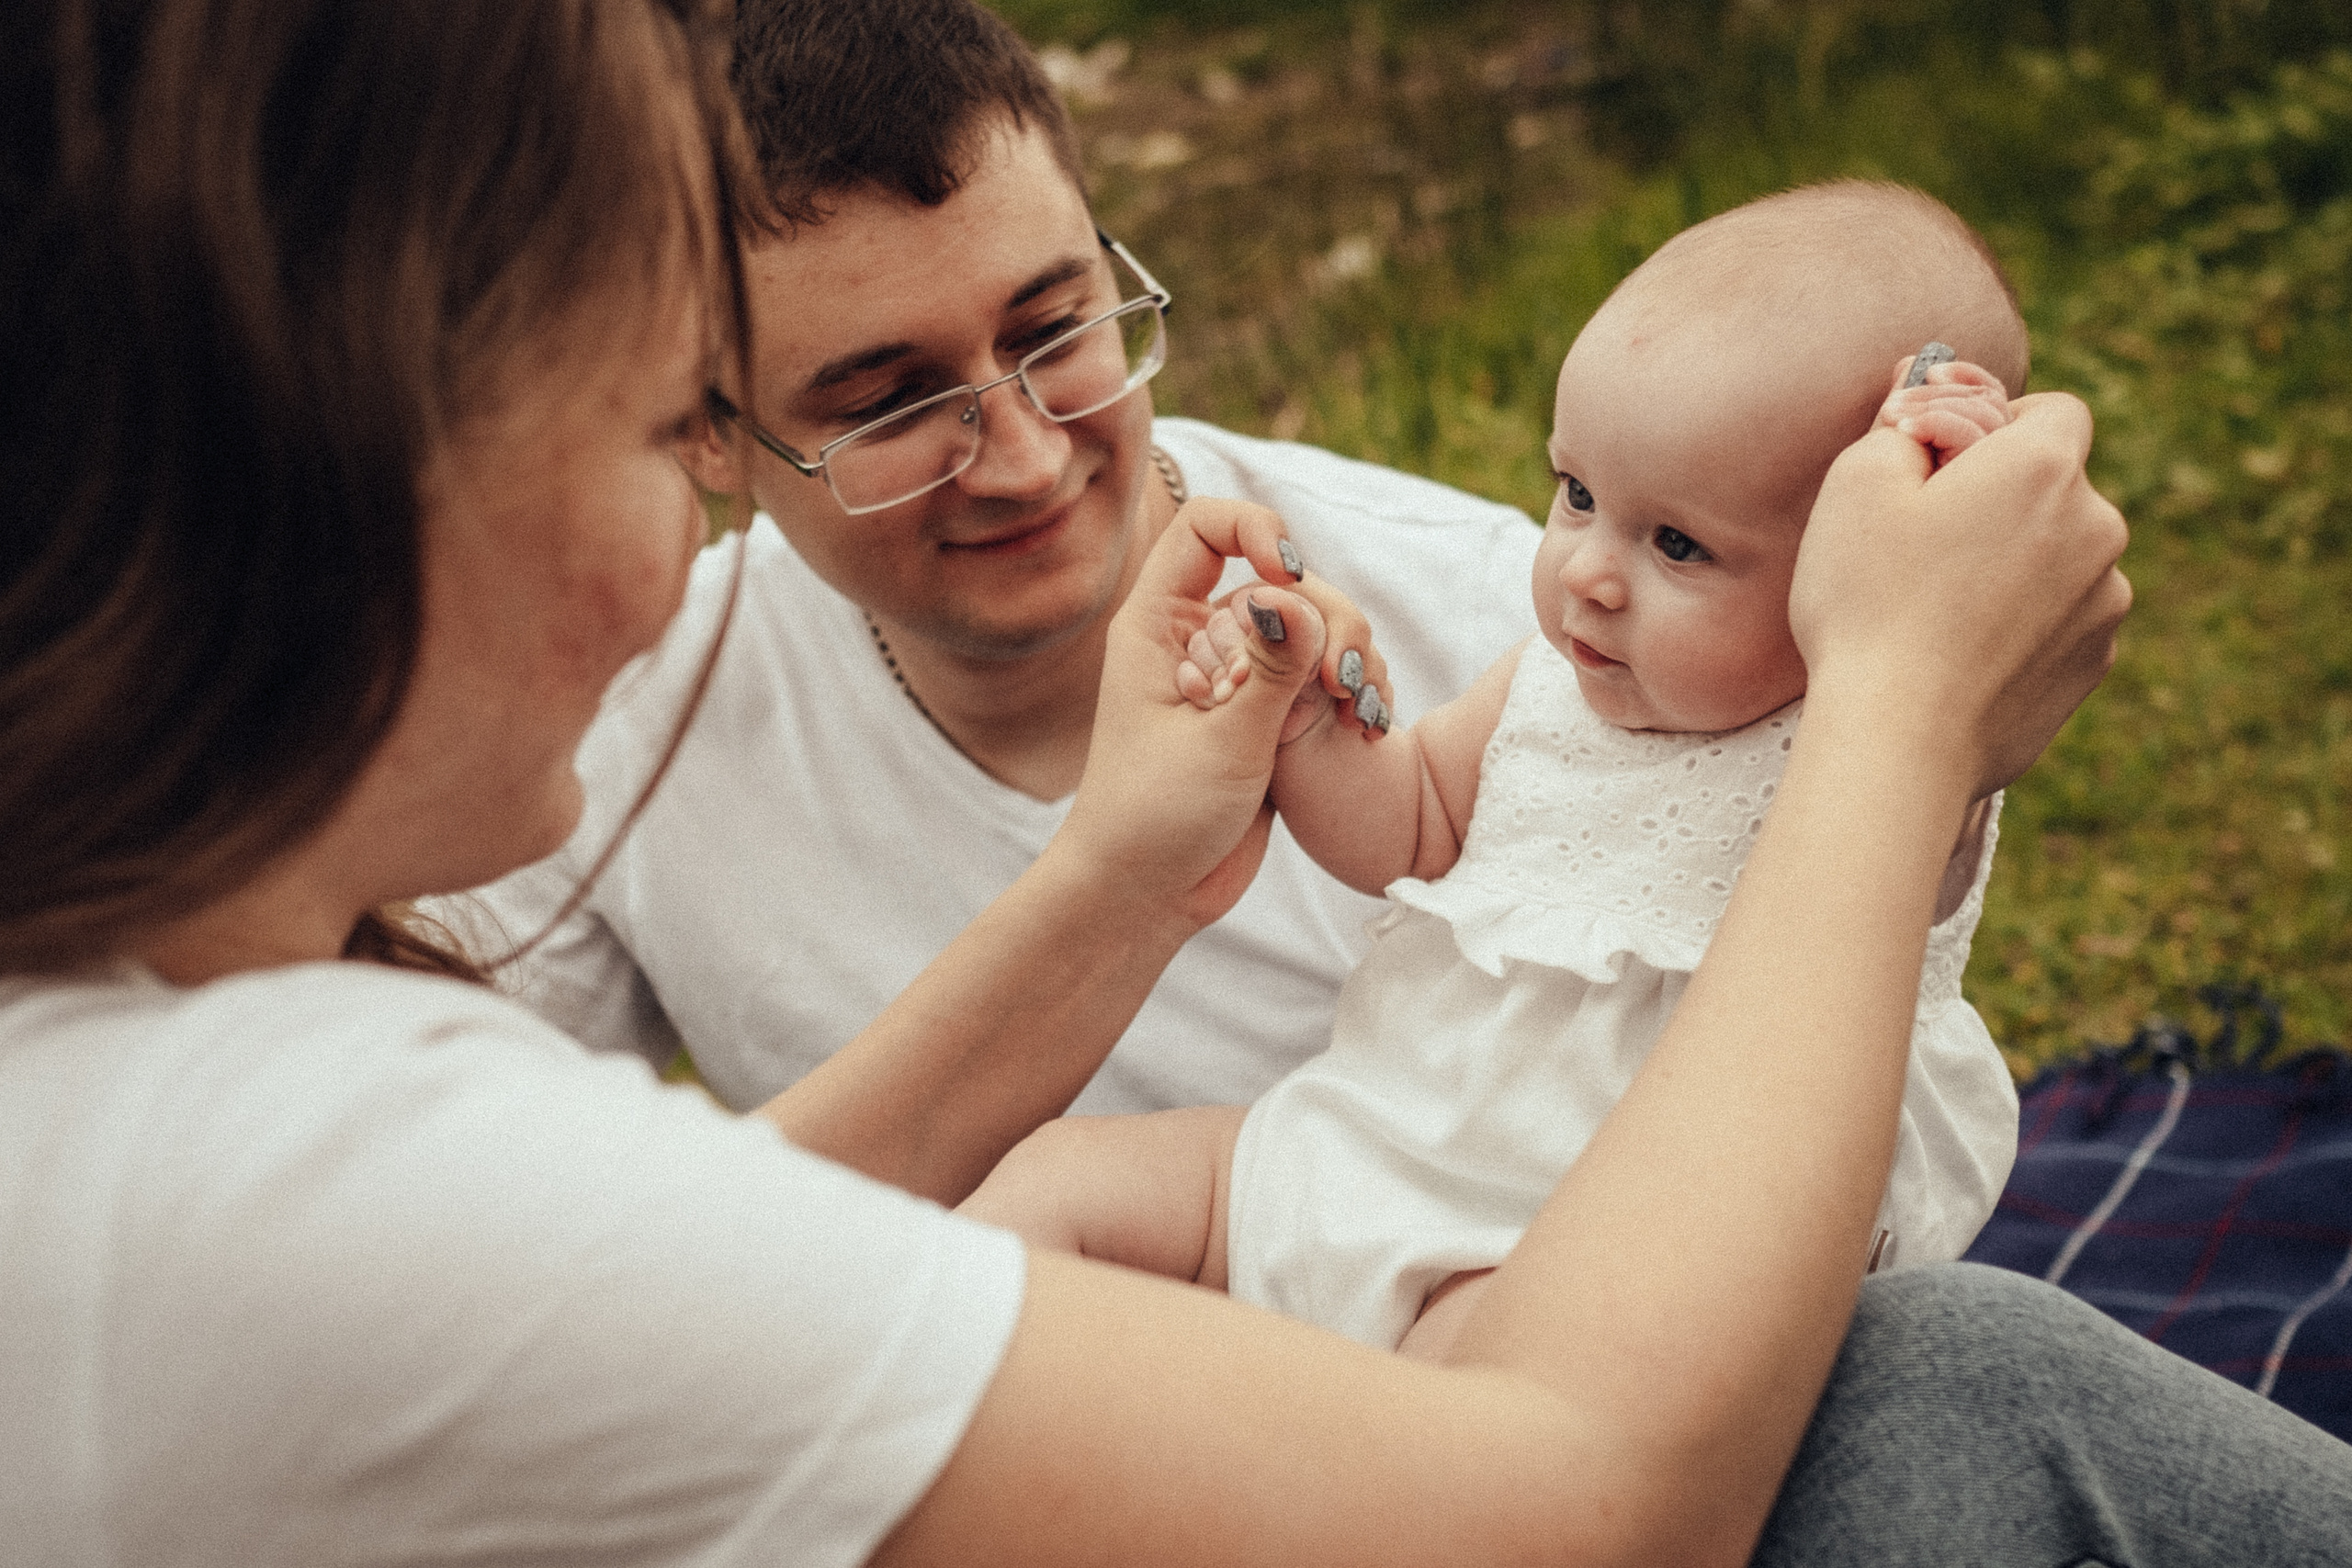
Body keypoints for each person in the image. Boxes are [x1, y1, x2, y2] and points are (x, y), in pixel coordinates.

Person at [14, 3, 2352, 1566]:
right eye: (655, 422)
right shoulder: (253, 1176)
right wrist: (1893, 707)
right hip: (1424, 1408)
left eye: (1057, 327)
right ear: (332, 466)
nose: (674, 557)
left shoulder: (165, 1095)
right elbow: (1556, 1499)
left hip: (1432, 1312)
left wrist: (1129, 867)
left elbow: (610, 1262)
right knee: (1958, 1391)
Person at [963, 184, 2032, 1354]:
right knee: (1056, 1184)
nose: (1587, 573)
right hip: (1347, 1151)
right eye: (1576, 495)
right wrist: (1308, 726)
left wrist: (1937, 542)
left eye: (1677, 543)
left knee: (1436, 1424)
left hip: (1547, 1265)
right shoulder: (1543, 692)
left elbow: (1919, 734)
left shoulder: (1869, 749)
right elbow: (1408, 827)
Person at [445, 0, 1543, 1118]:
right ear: (707, 431)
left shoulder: (1508, 622)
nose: (1022, 463)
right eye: (887, 403)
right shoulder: (615, 733)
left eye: (1053, 331)